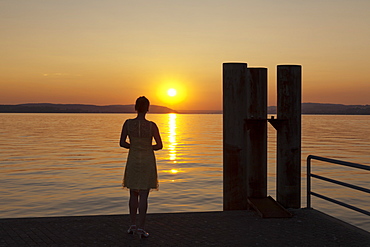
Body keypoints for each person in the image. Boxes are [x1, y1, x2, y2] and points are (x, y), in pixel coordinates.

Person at [120, 96, 163, 238]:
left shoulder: (127, 123)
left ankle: (132, 225)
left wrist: (134, 146)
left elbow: (122, 143)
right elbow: (159, 145)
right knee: (144, 194)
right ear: (148, 108)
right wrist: (147, 147)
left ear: (136, 108)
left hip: (133, 158)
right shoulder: (152, 126)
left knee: (133, 192)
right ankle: (141, 228)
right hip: (147, 160)